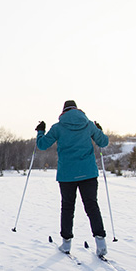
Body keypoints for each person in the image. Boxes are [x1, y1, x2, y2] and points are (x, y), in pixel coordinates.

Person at [36, 100, 109, 257]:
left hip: (67, 174)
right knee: (92, 206)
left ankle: (66, 244)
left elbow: (42, 145)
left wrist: (41, 131)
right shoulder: (88, 124)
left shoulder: (58, 127)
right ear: (77, 109)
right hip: (88, 173)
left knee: (68, 208)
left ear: (64, 111)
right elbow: (103, 142)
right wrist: (99, 130)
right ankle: (101, 243)